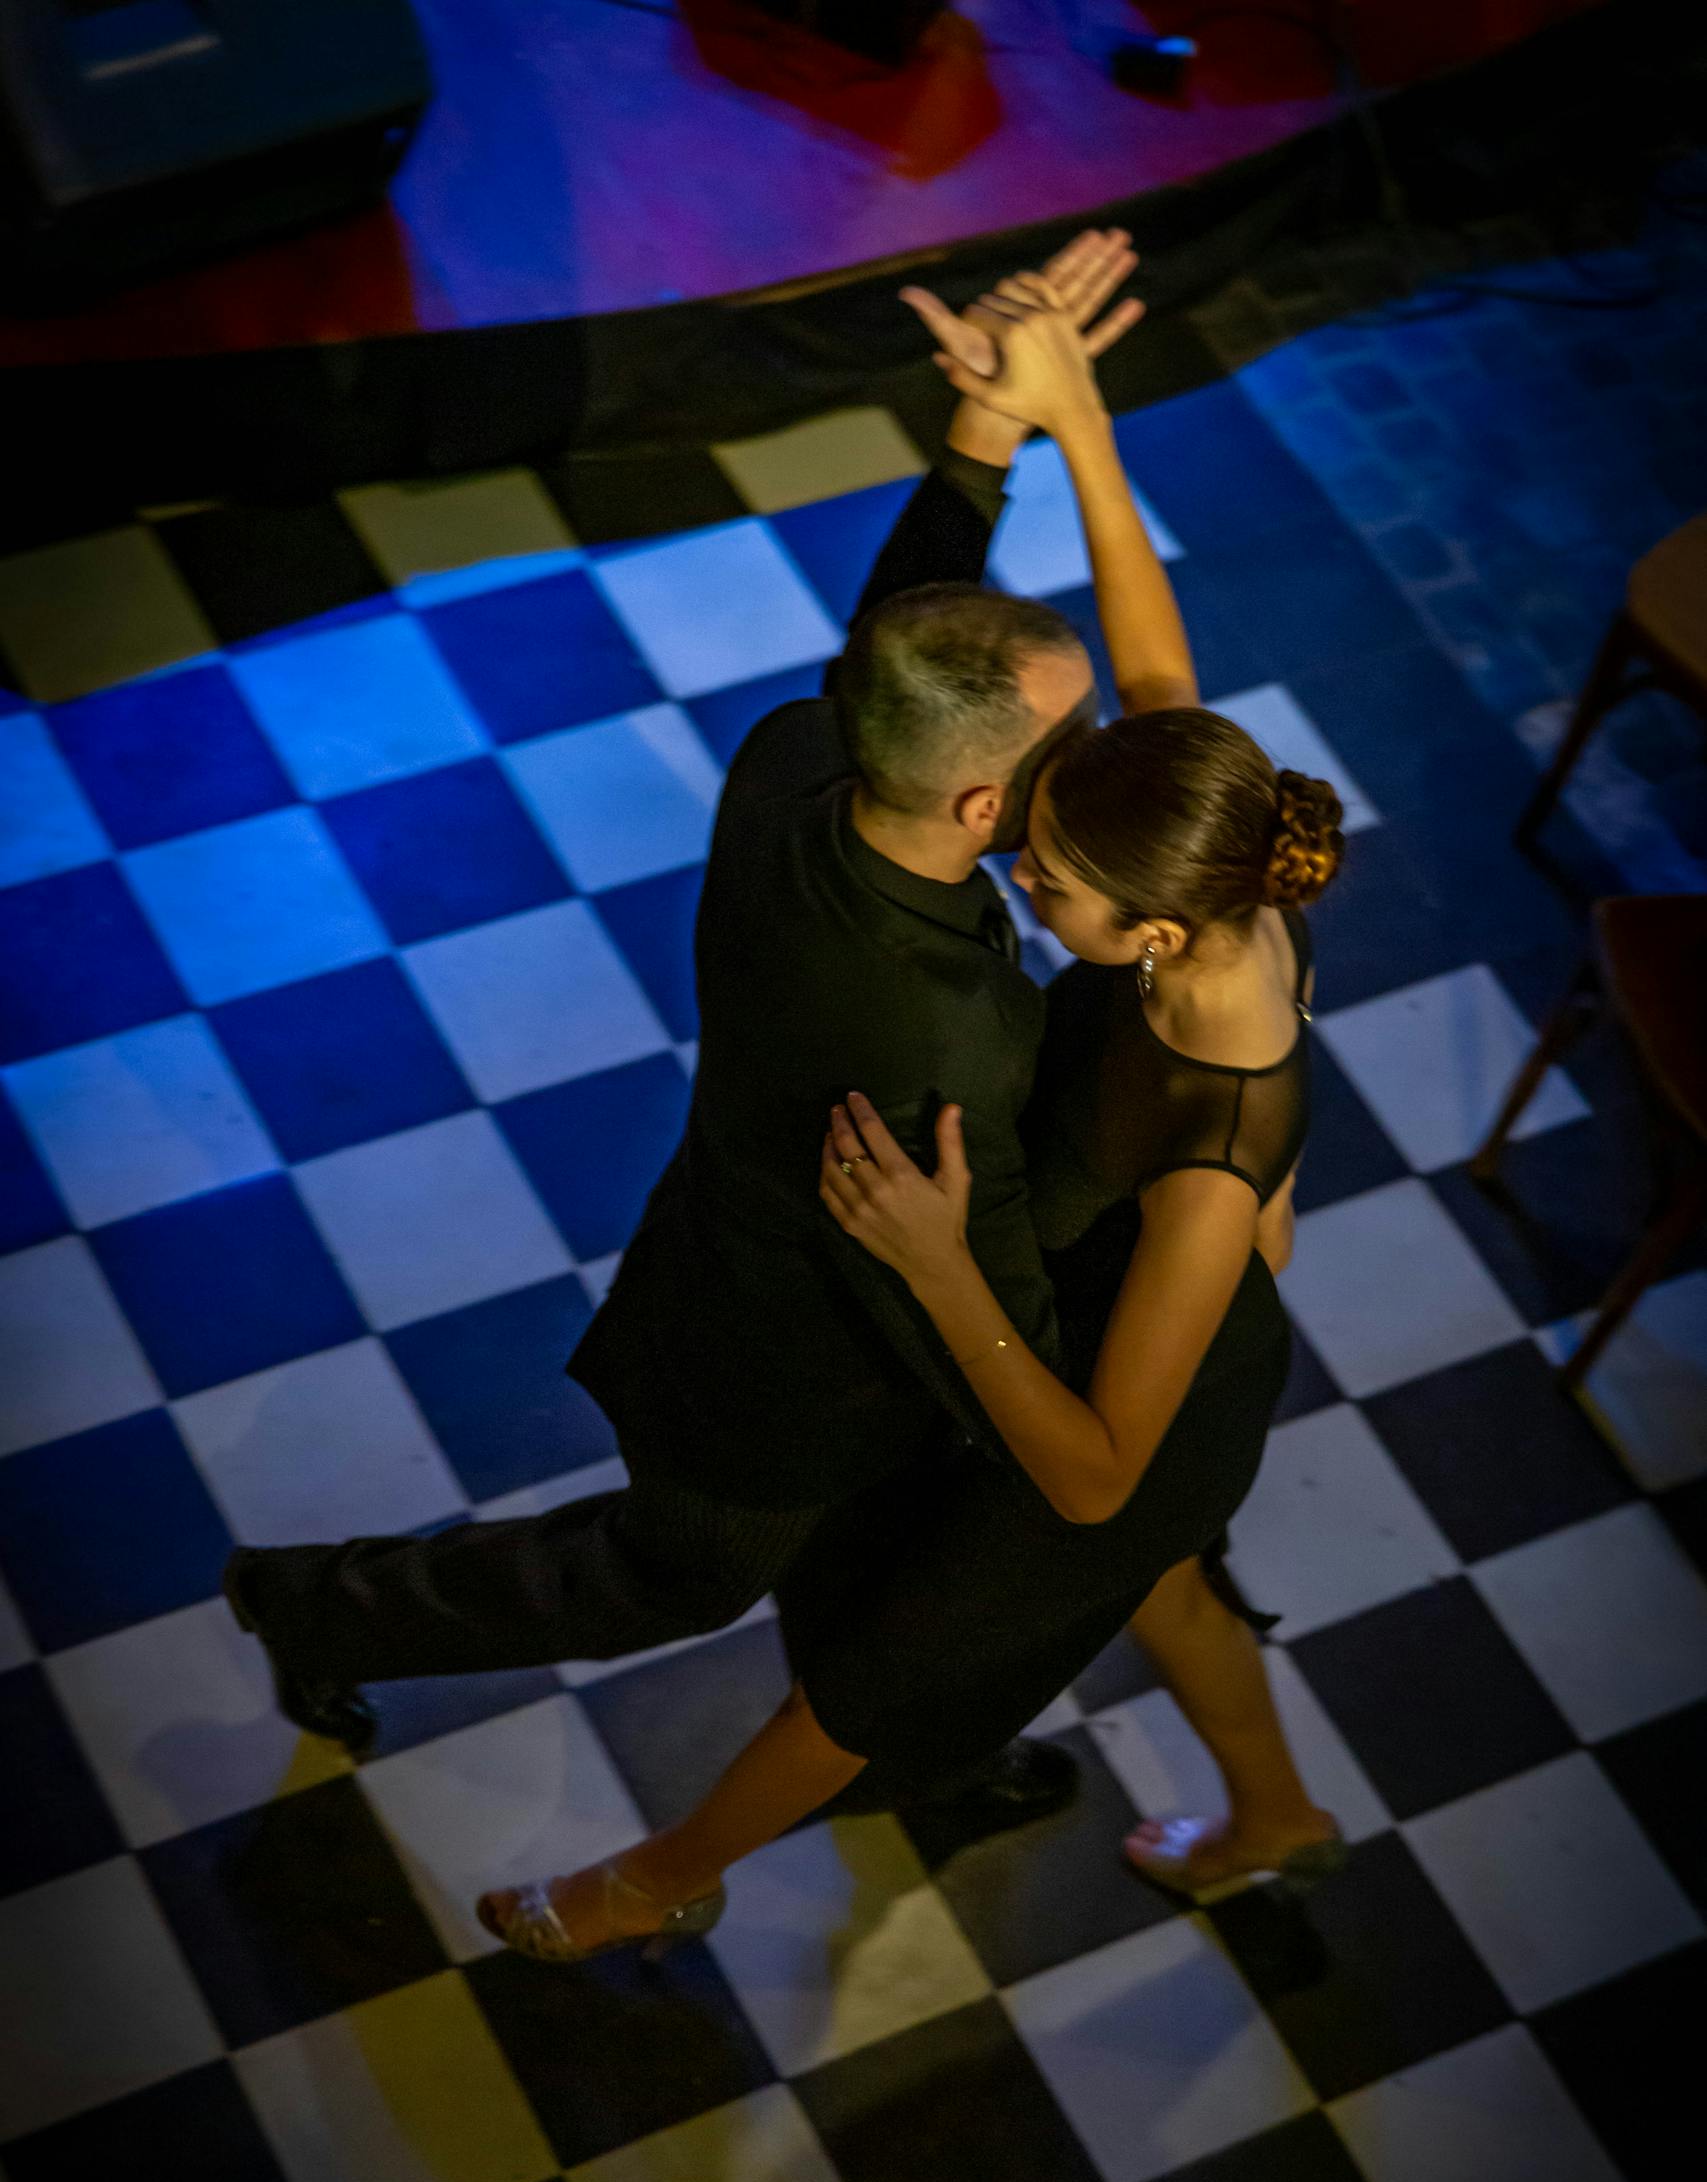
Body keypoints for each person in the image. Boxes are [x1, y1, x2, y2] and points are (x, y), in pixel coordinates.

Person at [477, 281, 1346, 1963]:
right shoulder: (1197, 849)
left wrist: (947, 1270)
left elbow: (1097, 1478)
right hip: (1075, 1300)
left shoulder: (1217, 1156)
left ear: (1152, 934)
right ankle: (1280, 1817)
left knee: (879, 1671)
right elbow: (1154, 660)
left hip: (1126, 1392)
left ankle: (656, 1882)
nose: (1025, 871)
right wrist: (1074, 418)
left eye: (1056, 883)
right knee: (1163, 1583)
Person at [224, 235, 1144, 1802]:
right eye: (1080, 734)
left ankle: (898, 1745)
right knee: (676, 1575)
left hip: (738, 1240)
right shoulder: (934, 1033)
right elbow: (980, 1279)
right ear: (986, 800)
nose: (1107, 743)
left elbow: (899, 652)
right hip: (784, 1366)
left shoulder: (806, 763)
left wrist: (984, 441)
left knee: (869, 1558)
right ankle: (317, 1605)